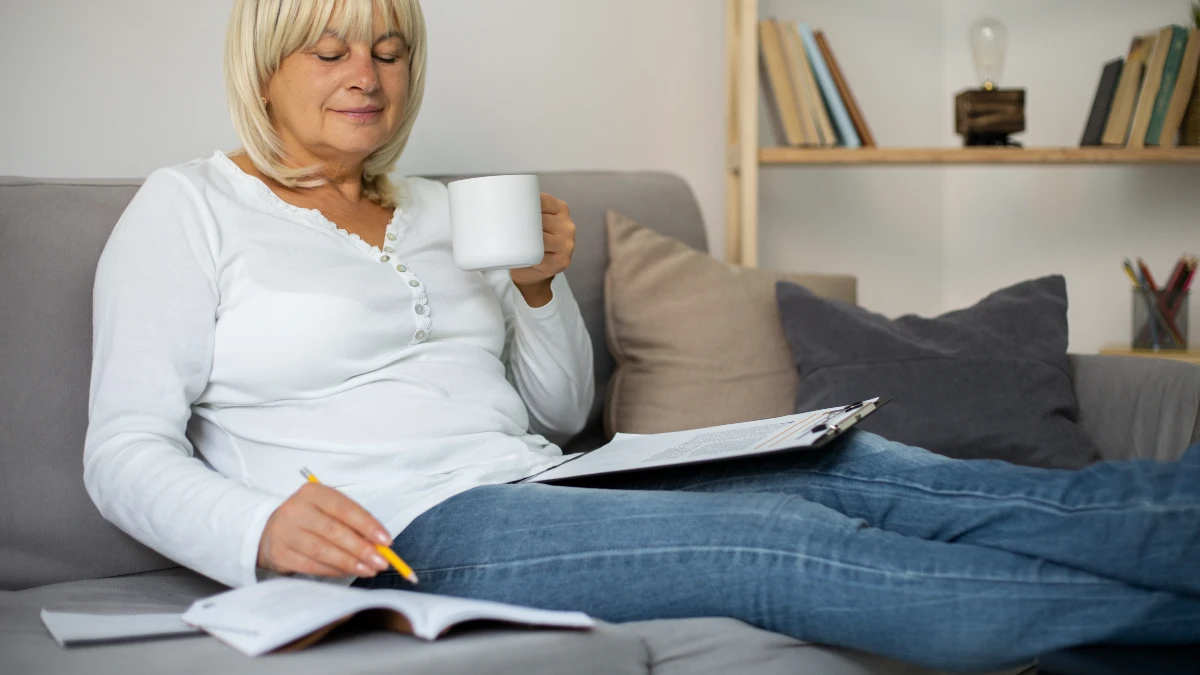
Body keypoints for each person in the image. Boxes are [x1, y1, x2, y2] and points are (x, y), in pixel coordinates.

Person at [84, 0, 1199, 671]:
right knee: (799, 553)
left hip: (564, 480)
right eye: (329, 49)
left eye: (387, 46)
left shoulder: (439, 205)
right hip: (424, 530)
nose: (367, 74)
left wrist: (537, 290)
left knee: (878, 471)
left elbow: (561, 413)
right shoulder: (189, 207)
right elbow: (122, 450)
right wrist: (261, 528)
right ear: (265, 61)